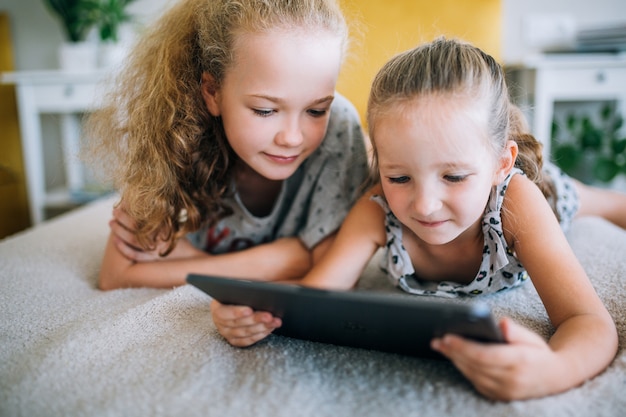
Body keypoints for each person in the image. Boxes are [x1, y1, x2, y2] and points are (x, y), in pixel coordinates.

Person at [216, 38, 623, 401]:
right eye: (399, 177)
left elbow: (586, 320)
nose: (425, 205)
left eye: (453, 176)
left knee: (592, 201)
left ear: (501, 163)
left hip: (537, 192)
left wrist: (555, 370)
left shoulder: (519, 200)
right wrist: (248, 308)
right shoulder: (375, 211)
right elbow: (314, 294)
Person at [85, 0, 368, 290]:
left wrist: (189, 259)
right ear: (212, 92)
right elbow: (116, 275)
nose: (292, 138)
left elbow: (332, 276)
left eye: (316, 110)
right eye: (265, 110)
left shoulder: (339, 125)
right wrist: (285, 259)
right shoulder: (175, 127)